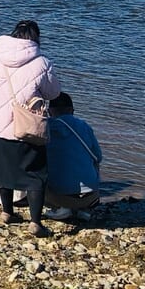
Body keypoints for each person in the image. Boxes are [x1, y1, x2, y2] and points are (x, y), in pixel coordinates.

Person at [0, 20, 61, 238]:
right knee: (36, 175)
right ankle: (35, 223)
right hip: (27, 126)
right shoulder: (42, 62)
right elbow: (53, 92)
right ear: (36, 38)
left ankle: (7, 212)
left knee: (3, 171)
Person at [43, 93, 103, 221]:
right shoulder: (84, 126)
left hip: (58, 197)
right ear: (72, 111)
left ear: (49, 111)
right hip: (91, 196)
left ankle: (60, 207)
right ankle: (84, 209)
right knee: (92, 161)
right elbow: (98, 157)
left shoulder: (45, 127)